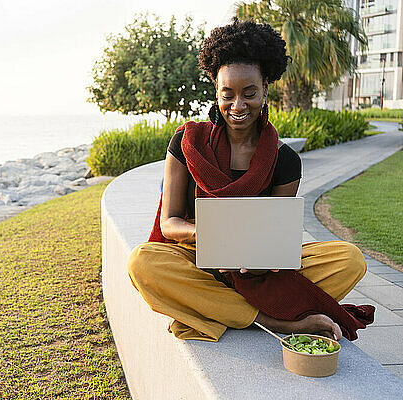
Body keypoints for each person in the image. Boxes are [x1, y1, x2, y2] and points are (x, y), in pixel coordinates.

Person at [127, 19, 371, 342]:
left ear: (265, 89)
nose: (237, 106)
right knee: (142, 262)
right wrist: (205, 234)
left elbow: (277, 238)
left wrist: (260, 260)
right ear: (216, 91)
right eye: (227, 94)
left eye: (249, 93)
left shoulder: (284, 161)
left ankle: (219, 308)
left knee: (350, 260)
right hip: (199, 260)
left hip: (258, 273)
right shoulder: (187, 143)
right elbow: (169, 222)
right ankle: (279, 322)